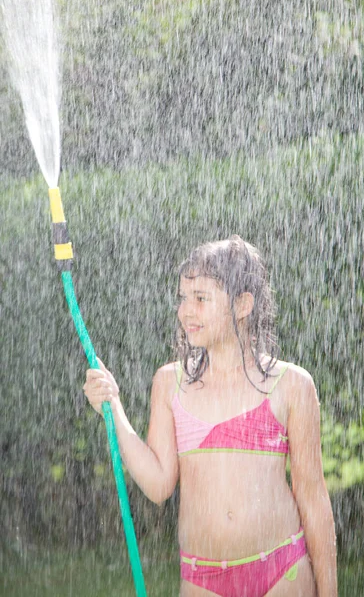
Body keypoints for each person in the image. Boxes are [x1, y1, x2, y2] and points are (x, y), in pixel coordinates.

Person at [84, 236, 337, 596]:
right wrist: (114, 408)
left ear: (243, 304)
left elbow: (313, 497)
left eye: (201, 298)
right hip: (203, 580)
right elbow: (158, 485)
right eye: (183, 298)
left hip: (282, 571)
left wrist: (330, 592)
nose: (186, 311)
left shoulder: (291, 385)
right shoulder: (170, 382)